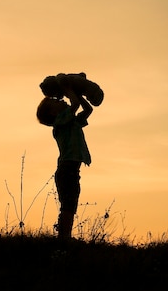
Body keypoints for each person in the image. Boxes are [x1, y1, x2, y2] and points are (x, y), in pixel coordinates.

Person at [36, 88, 93, 241]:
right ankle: (63, 237)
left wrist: (79, 94)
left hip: (72, 170)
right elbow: (74, 105)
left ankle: (64, 236)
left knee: (71, 204)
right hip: (66, 169)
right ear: (53, 114)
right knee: (68, 205)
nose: (61, 100)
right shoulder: (60, 122)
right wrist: (70, 90)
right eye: (56, 101)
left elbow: (88, 109)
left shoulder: (71, 121)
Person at [40, 72, 104, 107]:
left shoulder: (63, 83)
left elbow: (75, 103)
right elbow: (87, 108)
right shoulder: (72, 89)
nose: (57, 98)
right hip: (93, 91)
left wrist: (67, 116)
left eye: (54, 95)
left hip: (94, 92)